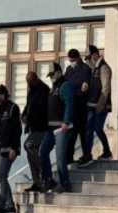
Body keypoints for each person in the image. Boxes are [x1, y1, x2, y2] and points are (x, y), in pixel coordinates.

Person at [40, 63, 75, 193]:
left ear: (59, 72)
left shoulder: (65, 86)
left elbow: (69, 104)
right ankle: (48, 180)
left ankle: (65, 183)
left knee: (60, 158)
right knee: (42, 152)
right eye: (50, 75)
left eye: (53, 74)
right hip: (50, 128)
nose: (51, 77)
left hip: (61, 128)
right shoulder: (53, 87)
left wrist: (66, 121)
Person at [0, 84, 22, 213]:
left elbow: (17, 129)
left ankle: (8, 205)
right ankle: (4, 205)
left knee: (1, 175)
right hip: (1, 149)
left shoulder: (12, 108)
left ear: (3, 95)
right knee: (0, 176)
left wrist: (14, 148)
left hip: (10, 149)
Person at [81, 44, 113, 166]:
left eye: (89, 58)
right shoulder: (94, 68)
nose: (88, 61)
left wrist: (100, 106)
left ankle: (106, 151)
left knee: (96, 128)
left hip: (100, 106)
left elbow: (105, 89)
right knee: (89, 129)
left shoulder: (104, 68)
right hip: (91, 105)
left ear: (95, 55)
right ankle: (88, 154)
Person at [21, 71, 50, 192]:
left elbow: (42, 110)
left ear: (35, 79)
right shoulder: (31, 90)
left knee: (29, 145)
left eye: (30, 81)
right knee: (31, 151)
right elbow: (28, 106)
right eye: (27, 82)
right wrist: (23, 115)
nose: (28, 84)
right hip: (33, 127)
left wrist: (30, 118)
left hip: (42, 127)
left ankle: (44, 177)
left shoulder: (43, 90)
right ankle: (37, 181)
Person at [63, 48, 92, 165]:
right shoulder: (69, 70)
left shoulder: (85, 69)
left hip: (81, 106)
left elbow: (86, 87)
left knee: (82, 132)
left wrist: (83, 88)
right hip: (71, 107)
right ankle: (69, 157)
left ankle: (87, 155)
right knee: (71, 133)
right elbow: (64, 85)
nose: (71, 63)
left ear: (78, 58)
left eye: (73, 60)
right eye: (70, 61)